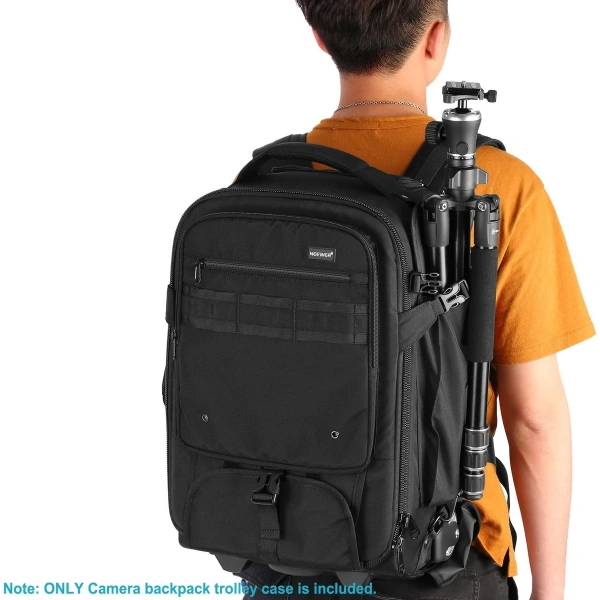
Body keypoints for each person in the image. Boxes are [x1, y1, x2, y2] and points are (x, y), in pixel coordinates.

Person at [237, 1, 595, 599]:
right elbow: (534, 419)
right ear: (435, 39)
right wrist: (550, 589)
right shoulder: (500, 185)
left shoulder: (263, 185)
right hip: (440, 559)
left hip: (281, 542)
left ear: (320, 37)